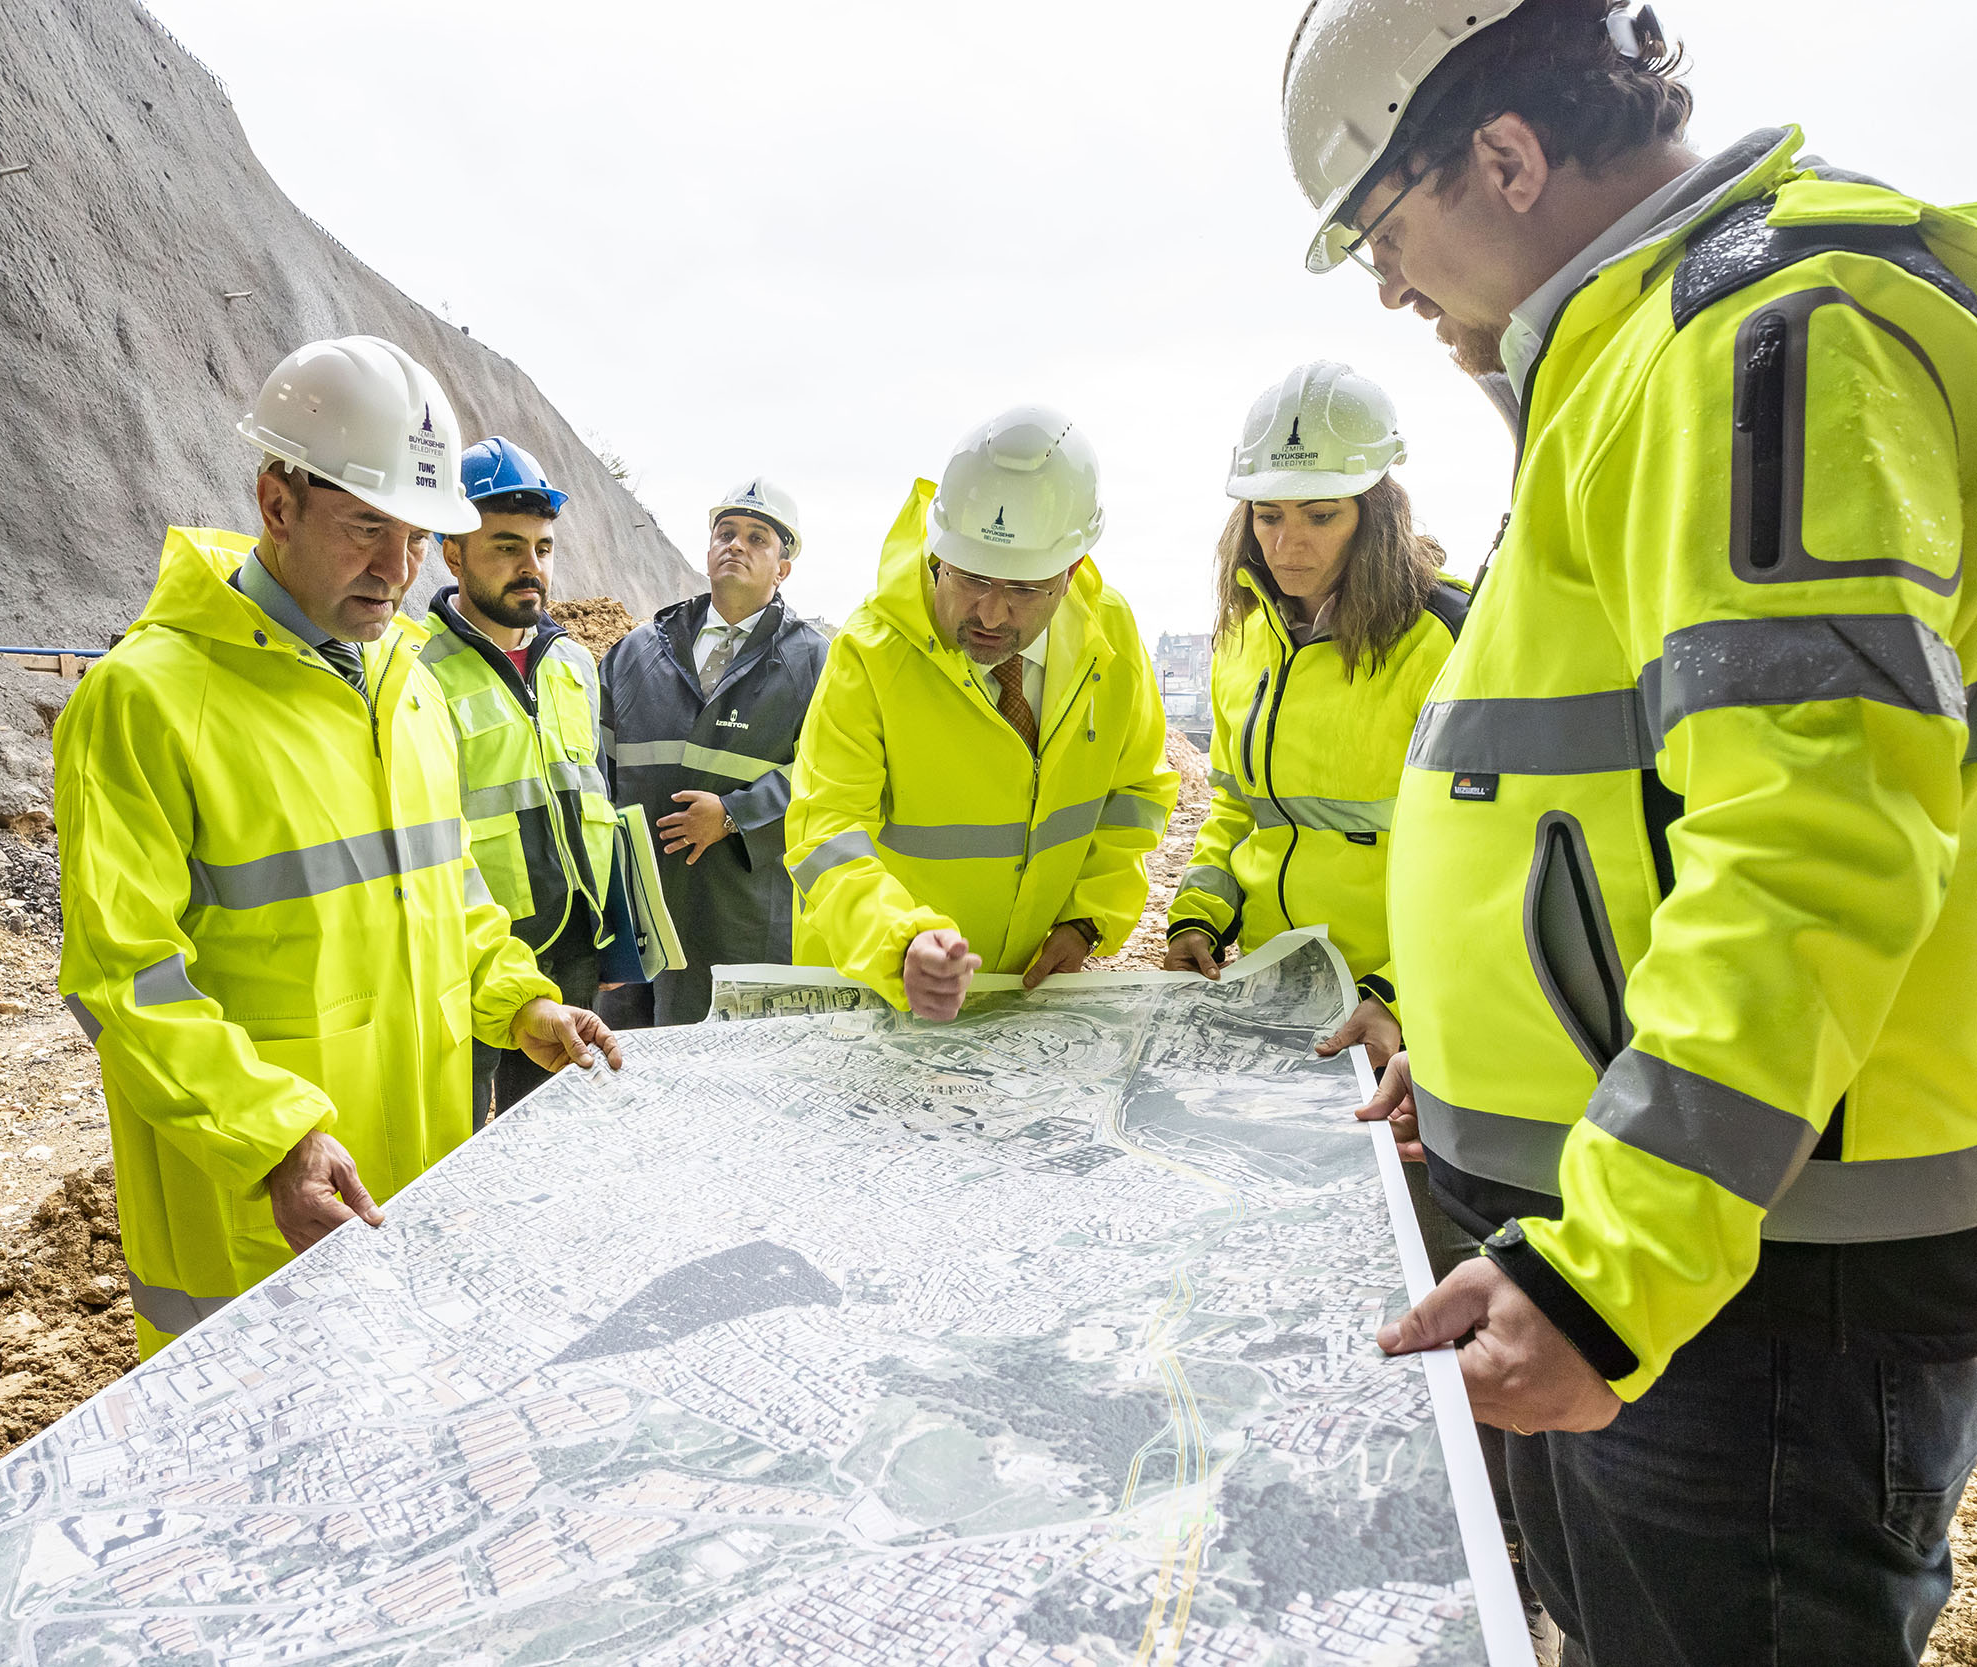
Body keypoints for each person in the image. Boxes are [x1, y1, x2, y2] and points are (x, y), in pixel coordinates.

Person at [1286, 2, 1977, 1660]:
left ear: (1506, 159)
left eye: (1385, 232)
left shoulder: (1763, 331)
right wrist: (1460, 1055)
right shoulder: (1645, 347)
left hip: (1748, 1284)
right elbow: (1594, 806)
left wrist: (1613, 1272)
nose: (1389, 286)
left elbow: (1814, 832)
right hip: (1682, 1247)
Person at [53, 336, 622, 1360]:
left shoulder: (406, 681)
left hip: (412, 1192)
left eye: (417, 539)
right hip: (258, 1226)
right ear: (277, 503)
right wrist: (271, 1138)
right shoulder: (144, 698)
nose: (398, 572)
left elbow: (446, 892)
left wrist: (521, 1000)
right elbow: (121, 974)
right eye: (368, 528)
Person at [783, 407, 1179, 1020]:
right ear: (939, 553)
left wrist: (1087, 920)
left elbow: (1134, 798)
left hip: (1017, 998)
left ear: (1070, 573)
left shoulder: (1114, 639)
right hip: (872, 995)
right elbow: (824, 834)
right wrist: (901, 942)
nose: (990, 615)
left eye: (1023, 590)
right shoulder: (867, 655)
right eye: (970, 579)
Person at [1163, 361, 1467, 1076]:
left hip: (1405, 1013)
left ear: (1376, 511)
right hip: (1274, 994)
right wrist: (1198, 916)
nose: (1287, 545)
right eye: (1268, 516)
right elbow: (1237, 808)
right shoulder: (1242, 639)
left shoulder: (1449, 637)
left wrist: (1399, 992)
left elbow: (1490, 853)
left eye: (1321, 515)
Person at [425, 436, 644, 1124]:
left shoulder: (575, 664)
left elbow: (598, 799)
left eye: (543, 548)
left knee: (552, 1135)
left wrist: (616, 936)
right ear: (452, 550)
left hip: (569, 949)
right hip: (466, 953)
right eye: (507, 547)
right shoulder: (416, 672)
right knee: (455, 1138)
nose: (532, 568)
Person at [599, 477, 831, 1026]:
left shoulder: (816, 664)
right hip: (639, 911)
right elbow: (597, 771)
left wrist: (734, 814)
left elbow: (831, 775)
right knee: (626, 1067)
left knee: (728, 1081)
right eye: (726, 533)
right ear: (707, 551)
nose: (737, 546)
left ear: (783, 568)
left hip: (741, 913)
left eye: (758, 539)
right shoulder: (637, 652)